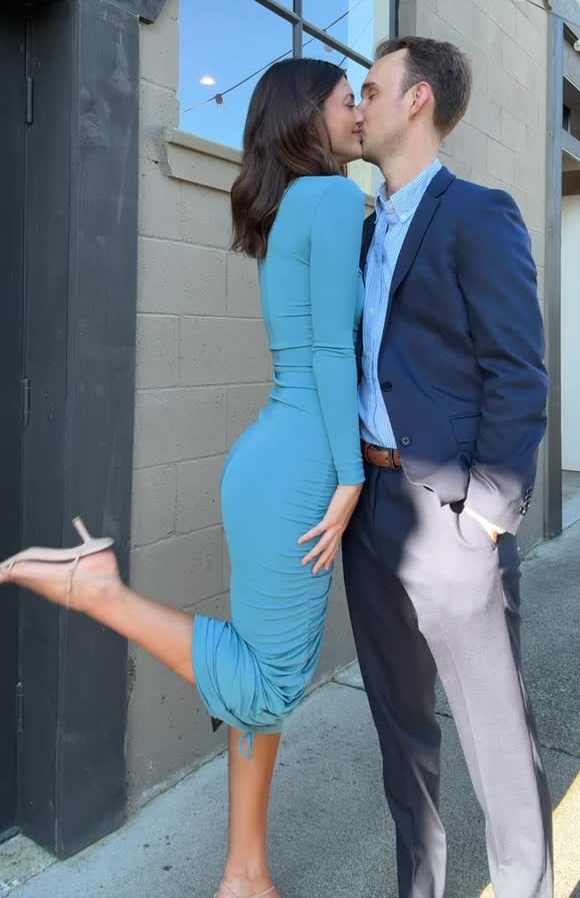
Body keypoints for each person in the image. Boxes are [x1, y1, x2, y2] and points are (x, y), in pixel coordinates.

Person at [0, 58, 367, 898]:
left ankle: (245, 874)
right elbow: (330, 353)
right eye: (348, 100)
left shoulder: (290, 205)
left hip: (271, 461)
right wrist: (349, 480)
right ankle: (98, 589)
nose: (358, 114)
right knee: (271, 681)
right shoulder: (334, 198)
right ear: (308, 116)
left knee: (253, 675)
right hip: (304, 468)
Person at [342, 36, 553, 898]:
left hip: (450, 517)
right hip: (369, 515)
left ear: (418, 99)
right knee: (402, 741)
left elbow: (518, 371)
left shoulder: (478, 214)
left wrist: (488, 514)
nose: (358, 104)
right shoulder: (363, 232)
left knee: (498, 745)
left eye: (370, 89)